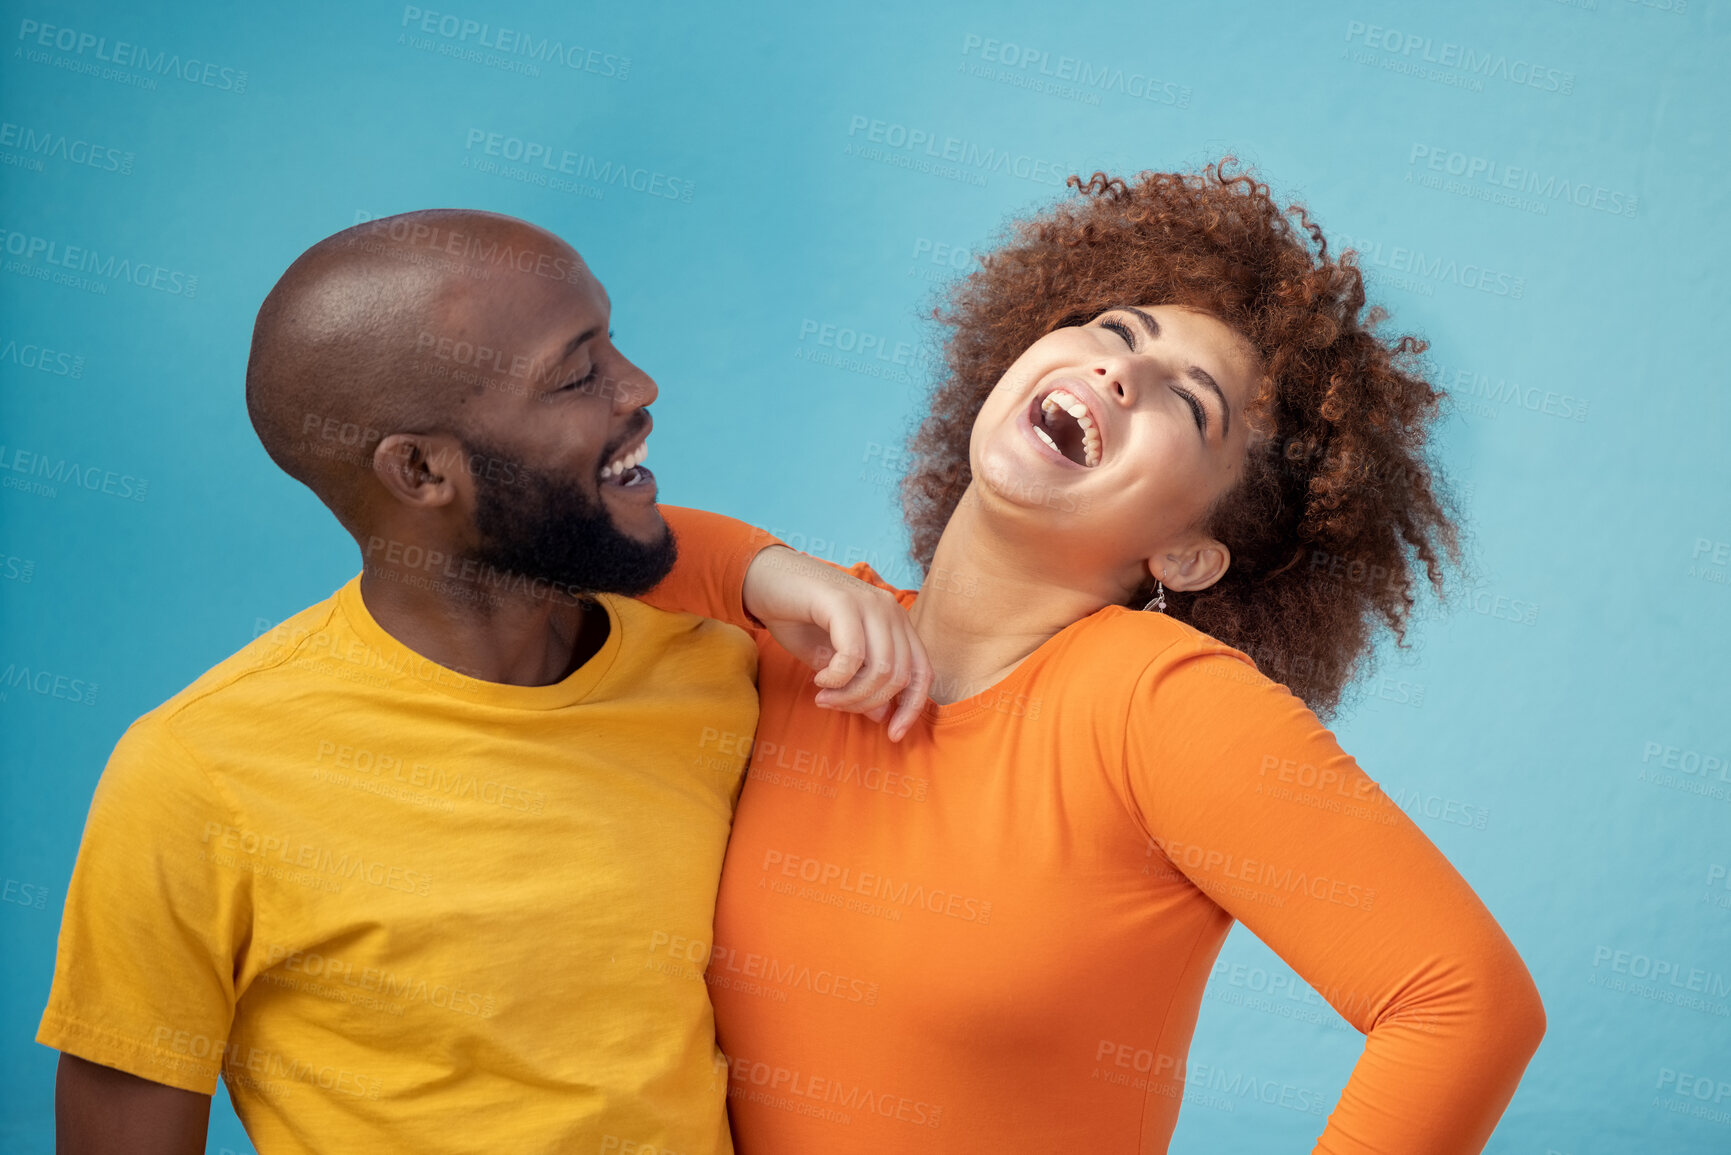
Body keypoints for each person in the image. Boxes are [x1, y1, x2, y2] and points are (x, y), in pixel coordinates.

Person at [643, 162, 1547, 1153]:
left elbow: (1463, 1002)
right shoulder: (800, 641)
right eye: (1115, 333)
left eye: (1189, 404)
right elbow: (514, 551)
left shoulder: (1159, 705)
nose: (1121, 372)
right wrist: (759, 571)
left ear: (1190, 551)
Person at [35, 208, 921, 1155]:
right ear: (420, 470)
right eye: (578, 375)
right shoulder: (198, 769)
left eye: (612, 343)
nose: (640, 388)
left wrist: (762, 566)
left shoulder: (719, 665)